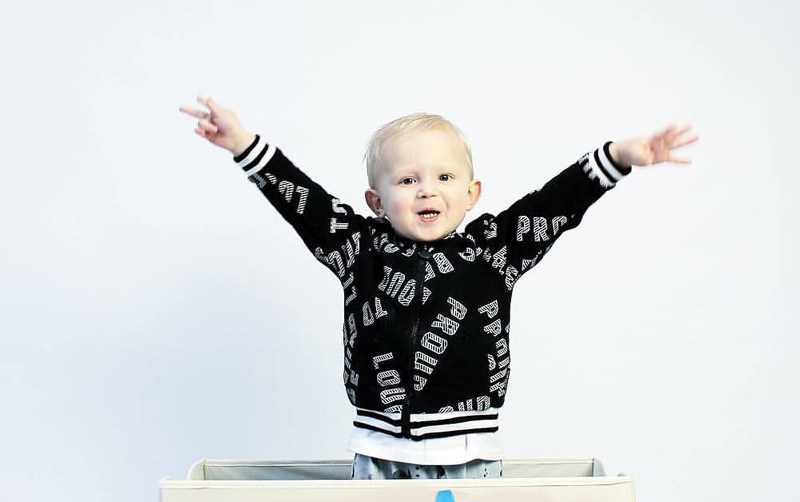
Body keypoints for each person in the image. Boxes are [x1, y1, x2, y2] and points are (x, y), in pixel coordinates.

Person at [179, 96, 696, 480]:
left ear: (472, 193)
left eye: (444, 177)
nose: (427, 189)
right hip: (379, 452)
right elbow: (305, 204)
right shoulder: (358, 250)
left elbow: (554, 205)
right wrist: (244, 145)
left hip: (469, 454)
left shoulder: (493, 251)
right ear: (376, 201)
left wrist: (616, 157)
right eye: (407, 180)